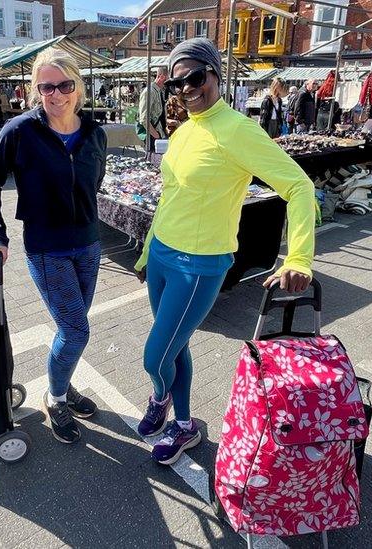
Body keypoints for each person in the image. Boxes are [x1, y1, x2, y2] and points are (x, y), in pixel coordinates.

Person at [134, 38, 316, 465]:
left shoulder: (238, 129)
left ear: (216, 74)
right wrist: (147, 253)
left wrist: (299, 257)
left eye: (196, 77)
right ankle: (182, 425)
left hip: (198, 266)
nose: (186, 89)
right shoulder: (184, 130)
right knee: (175, 348)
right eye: (176, 83)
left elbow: (300, 186)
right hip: (162, 256)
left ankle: (162, 401)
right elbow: (170, 197)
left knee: (154, 357)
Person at [0, 48, 107, 445]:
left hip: (87, 245)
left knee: (72, 328)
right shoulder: (20, 131)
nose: (56, 94)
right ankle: (55, 398)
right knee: (75, 330)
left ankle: (64, 385)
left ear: (77, 86)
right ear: (36, 90)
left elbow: (93, 182)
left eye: (64, 85)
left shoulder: (94, 133)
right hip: (47, 249)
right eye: (46, 86)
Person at [138, 66, 168, 152]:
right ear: (161, 77)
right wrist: (156, 135)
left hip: (159, 135)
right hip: (153, 137)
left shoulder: (159, 91)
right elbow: (143, 119)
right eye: (168, 79)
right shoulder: (149, 92)